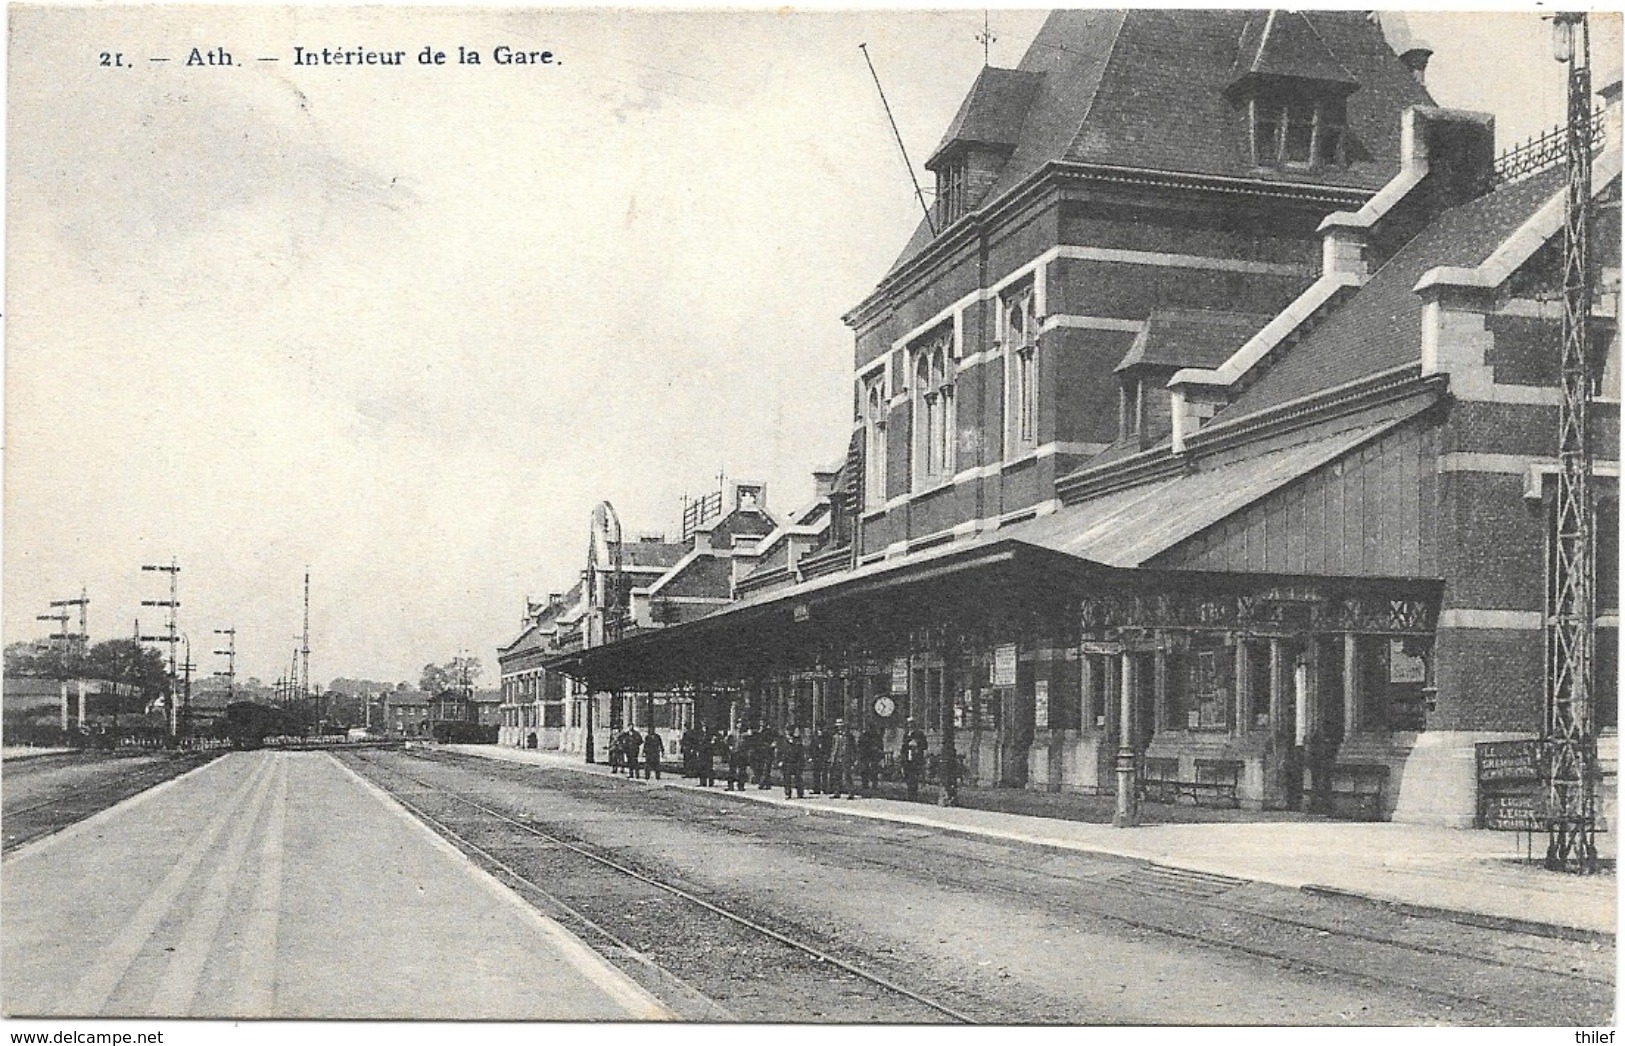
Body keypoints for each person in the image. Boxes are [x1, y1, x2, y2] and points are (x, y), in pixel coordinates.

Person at [900, 717, 929, 799]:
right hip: (907, 757)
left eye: (912, 724)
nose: (910, 726)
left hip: (916, 757)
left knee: (914, 775)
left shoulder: (920, 734)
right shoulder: (906, 734)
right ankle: (910, 790)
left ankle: (913, 792)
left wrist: (917, 745)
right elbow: (904, 746)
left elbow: (924, 745)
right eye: (908, 724)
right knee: (907, 774)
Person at [828, 719, 858, 799]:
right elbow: (833, 748)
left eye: (841, 726)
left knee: (847, 776)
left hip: (846, 758)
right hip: (837, 758)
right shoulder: (835, 736)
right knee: (837, 776)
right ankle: (837, 792)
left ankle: (851, 793)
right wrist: (832, 758)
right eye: (838, 726)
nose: (839, 728)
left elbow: (854, 748)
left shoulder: (849, 736)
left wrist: (854, 759)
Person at [777, 726, 806, 799]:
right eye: (787, 731)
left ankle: (800, 793)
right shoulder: (782, 741)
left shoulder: (797, 740)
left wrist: (802, 761)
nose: (789, 732)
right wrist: (779, 761)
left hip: (796, 762)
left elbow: (801, 751)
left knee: (798, 778)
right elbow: (779, 752)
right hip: (786, 762)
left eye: (790, 731)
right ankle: (787, 793)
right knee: (787, 779)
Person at [858, 724, 883, 796]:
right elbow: (860, 745)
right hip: (865, 756)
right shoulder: (863, 736)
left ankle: (874, 785)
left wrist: (878, 753)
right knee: (864, 770)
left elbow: (880, 746)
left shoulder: (877, 736)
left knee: (874, 771)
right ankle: (865, 785)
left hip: (874, 756)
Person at [753, 723, 777, 790]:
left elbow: (774, 740)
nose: (761, 726)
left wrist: (773, 744)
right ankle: (767, 784)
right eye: (760, 725)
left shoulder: (769, 732)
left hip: (768, 752)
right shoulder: (758, 732)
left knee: (766, 768)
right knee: (761, 768)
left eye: (762, 724)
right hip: (760, 753)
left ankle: (762, 783)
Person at [807, 720, 829, 795]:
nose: (820, 730)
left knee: (824, 773)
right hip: (816, 757)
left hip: (824, 757)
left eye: (822, 728)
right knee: (816, 773)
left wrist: (827, 756)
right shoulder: (815, 737)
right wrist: (810, 756)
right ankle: (816, 788)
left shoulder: (827, 737)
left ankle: (825, 788)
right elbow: (811, 747)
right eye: (819, 728)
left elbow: (829, 747)